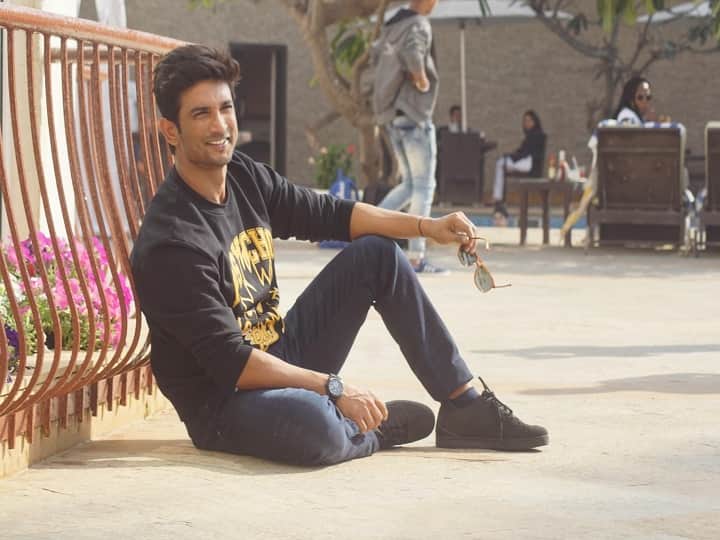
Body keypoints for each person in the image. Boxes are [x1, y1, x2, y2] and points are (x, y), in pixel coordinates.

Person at [130, 44, 548, 468]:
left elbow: (333, 214)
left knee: (378, 255)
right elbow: (232, 363)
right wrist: (332, 387)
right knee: (313, 421)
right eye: (201, 114)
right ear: (171, 131)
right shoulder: (172, 243)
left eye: (225, 108)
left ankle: (464, 406)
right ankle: (366, 431)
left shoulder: (243, 175)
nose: (220, 125)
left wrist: (428, 226)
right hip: (226, 402)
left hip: (278, 355)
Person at [372, 0, 445, 274]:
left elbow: (376, 57)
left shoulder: (392, 26)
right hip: (413, 114)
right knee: (424, 186)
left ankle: (366, 230)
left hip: (392, 115)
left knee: (410, 185)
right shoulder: (417, 24)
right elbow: (413, 52)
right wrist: (422, 80)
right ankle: (416, 257)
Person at [492, 110, 546, 223]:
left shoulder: (538, 135)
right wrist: (511, 156)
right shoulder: (530, 136)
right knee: (501, 164)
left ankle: (498, 198)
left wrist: (511, 156)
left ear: (535, 121)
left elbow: (526, 153)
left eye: (529, 120)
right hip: (524, 162)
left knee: (501, 163)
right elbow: (521, 151)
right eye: (525, 121)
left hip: (529, 165)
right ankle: (499, 199)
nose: (527, 123)